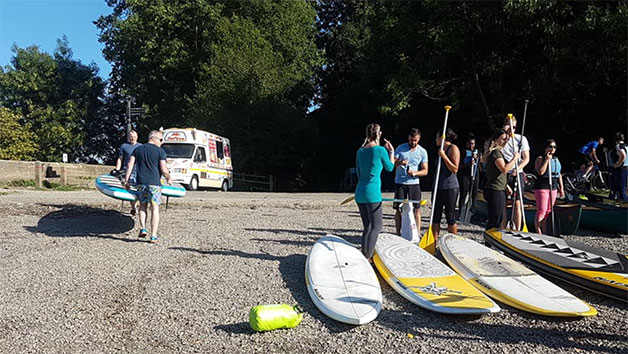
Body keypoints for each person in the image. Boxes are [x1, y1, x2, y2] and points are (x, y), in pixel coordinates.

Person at [355, 123, 394, 261]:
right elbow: (390, 167)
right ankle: (368, 258)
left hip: (360, 191)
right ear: (378, 134)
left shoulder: (360, 151)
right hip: (373, 192)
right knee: (377, 226)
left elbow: (359, 173)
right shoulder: (380, 150)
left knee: (367, 226)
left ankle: (364, 254)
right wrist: (391, 152)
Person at [125, 130, 172, 243]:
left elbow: (130, 164)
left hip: (141, 183)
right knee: (154, 208)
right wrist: (169, 178)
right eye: (160, 140)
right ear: (153, 138)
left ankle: (143, 228)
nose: (161, 142)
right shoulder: (160, 151)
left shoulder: (138, 149)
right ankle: (154, 235)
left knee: (142, 206)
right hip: (155, 184)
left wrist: (126, 180)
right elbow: (164, 169)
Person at [393, 128, 429, 235]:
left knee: (417, 209)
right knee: (398, 208)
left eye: (415, 141)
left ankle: (417, 233)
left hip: (414, 183)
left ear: (419, 139)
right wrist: (400, 162)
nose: (413, 143)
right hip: (400, 182)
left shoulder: (422, 151)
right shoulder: (400, 148)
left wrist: (415, 173)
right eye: (411, 140)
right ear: (408, 138)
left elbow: (425, 170)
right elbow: (392, 163)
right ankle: (398, 232)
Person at [483, 129, 519, 231]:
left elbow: (496, 173)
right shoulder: (496, 153)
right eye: (503, 139)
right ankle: (489, 241)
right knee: (496, 218)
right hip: (494, 189)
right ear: (496, 140)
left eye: (506, 139)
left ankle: (493, 240)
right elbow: (504, 169)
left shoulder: (498, 153)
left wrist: (506, 185)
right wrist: (515, 159)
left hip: (499, 187)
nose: (505, 141)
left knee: (499, 217)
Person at [501, 115, 530, 230]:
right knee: (503, 203)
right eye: (508, 126)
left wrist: (517, 169)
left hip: (517, 173)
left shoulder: (521, 139)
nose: (511, 129)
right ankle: (502, 227)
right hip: (504, 172)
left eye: (513, 127)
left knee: (517, 203)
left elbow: (526, 158)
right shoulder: (501, 139)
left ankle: (518, 229)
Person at [431, 128, 460, 240]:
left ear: (442, 138)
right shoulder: (439, 149)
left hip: (450, 187)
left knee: (450, 216)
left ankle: (453, 242)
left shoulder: (453, 148)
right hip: (438, 186)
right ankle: (433, 242)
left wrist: (444, 157)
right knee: (435, 216)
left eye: (437, 137)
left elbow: (455, 169)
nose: (435, 140)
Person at [533, 139, 565, 234]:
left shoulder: (556, 159)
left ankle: (546, 231)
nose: (552, 149)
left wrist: (561, 188)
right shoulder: (540, 158)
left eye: (554, 147)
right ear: (546, 148)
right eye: (550, 147)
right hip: (542, 186)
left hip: (553, 186)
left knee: (549, 210)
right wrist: (546, 160)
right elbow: (541, 172)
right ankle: (538, 231)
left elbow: (559, 174)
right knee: (542, 210)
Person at [115, 130, 142, 215]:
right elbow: (120, 158)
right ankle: (134, 208)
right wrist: (117, 169)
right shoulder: (124, 146)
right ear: (128, 137)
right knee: (130, 190)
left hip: (138, 172)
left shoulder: (141, 147)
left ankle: (135, 206)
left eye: (134, 137)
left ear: (137, 137)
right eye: (131, 137)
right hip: (127, 171)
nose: (132, 138)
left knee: (139, 191)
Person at [458, 134, 481, 214]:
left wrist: (477, 158)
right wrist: (468, 164)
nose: (471, 146)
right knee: (463, 194)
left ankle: (472, 212)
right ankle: (461, 212)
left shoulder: (477, 152)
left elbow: (481, 164)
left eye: (472, 144)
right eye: (469, 144)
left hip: (475, 174)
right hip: (465, 174)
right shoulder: (463, 152)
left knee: (474, 194)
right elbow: (459, 166)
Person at [609, 133, 628, 201]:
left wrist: (618, 163)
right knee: (623, 187)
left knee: (620, 188)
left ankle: (624, 204)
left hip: (620, 169)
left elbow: (623, 155)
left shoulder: (618, 146)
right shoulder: (626, 146)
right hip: (626, 168)